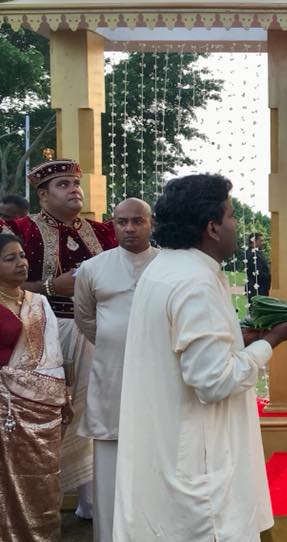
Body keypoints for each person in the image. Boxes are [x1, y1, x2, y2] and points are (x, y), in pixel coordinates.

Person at [113, 174, 287, 541]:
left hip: (170, 455)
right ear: (212, 227)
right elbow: (214, 381)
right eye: (232, 215)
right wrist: (272, 341)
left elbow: (184, 347)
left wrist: (240, 338)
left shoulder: (166, 268)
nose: (237, 225)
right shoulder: (195, 281)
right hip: (198, 470)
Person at [0, 156, 116, 518]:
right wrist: (52, 287)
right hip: (37, 329)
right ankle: (35, 502)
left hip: (95, 332)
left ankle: (91, 503)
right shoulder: (20, 228)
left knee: (93, 410)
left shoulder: (104, 233)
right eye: (62, 185)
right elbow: (8, 284)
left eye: (75, 183)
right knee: (42, 411)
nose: (74, 190)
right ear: (43, 195)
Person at [73, 198, 159, 542]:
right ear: (113, 224)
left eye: (138, 221)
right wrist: (117, 343)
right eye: (122, 222)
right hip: (110, 378)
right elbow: (85, 319)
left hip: (157, 381)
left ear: (151, 223)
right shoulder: (93, 268)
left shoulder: (167, 266)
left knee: (156, 464)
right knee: (109, 465)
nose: (129, 228)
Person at [0, 233, 70, 541]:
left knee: (44, 477)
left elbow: (54, 355)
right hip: (4, 408)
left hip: (43, 405)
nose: (21, 263)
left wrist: (62, 393)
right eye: (10, 258)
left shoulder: (39, 303)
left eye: (22, 256)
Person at [245, 232, 271, 303]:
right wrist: (271, 275)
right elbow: (258, 274)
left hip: (260, 290)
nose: (263, 243)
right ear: (254, 241)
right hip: (257, 291)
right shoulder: (252, 255)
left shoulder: (256, 253)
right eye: (261, 241)